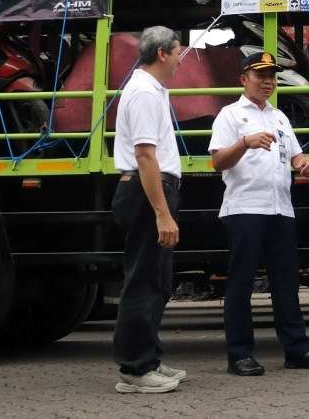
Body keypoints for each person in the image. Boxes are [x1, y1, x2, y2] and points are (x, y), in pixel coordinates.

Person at [209, 51, 309, 376]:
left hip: (281, 209)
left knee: (287, 283)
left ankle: (297, 349)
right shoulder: (229, 115)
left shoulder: (280, 117)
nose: (267, 82)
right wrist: (244, 143)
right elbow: (218, 162)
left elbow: (296, 158)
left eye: (271, 76)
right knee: (241, 284)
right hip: (245, 209)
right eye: (260, 75)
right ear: (243, 79)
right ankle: (239, 354)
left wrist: (306, 163)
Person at [111, 26, 188, 393]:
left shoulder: (152, 90)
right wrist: (162, 212)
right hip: (146, 193)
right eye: (177, 52)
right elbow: (144, 155)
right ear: (161, 53)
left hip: (152, 190)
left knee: (156, 281)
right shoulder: (143, 92)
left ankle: (148, 360)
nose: (179, 59)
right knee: (143, 280)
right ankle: (135, 370)